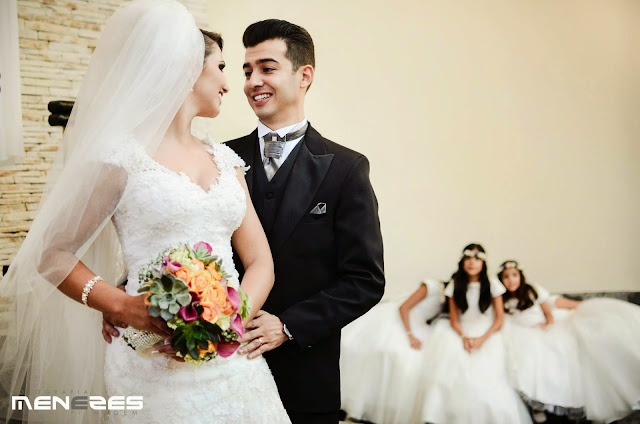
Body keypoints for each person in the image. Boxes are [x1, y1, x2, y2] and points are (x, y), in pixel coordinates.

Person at [0, 1, 291, 423]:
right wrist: (121, 305)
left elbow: (260, 260)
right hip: (152, 361)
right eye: (221, 67)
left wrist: (229, 320)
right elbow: (51, 253)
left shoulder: (227, 161)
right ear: (187, 69)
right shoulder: (120, 159)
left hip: (234, 363)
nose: (229, 84)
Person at [226, 19, 385, 424]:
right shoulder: (221, 159)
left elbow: (365, 280)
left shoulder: (347, 169)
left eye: (267, 68)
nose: (253, 82)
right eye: (247, 71)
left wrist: (288, 326)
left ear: (304, 76)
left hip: (305, 378)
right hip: (221, 372)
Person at [420, 244, 532, 424]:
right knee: (454, 372)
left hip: (488, 333)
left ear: (483, 263)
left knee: (487, 377)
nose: (472, 263)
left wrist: (481, 339)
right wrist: (464, 337)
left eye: (477, 259)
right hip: (462, 332)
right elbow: (454, 319)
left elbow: (499, 319)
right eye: (468, 259)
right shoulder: (455, 285)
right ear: (462, 261)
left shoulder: (493, 284)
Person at [340, 279, 443, 424]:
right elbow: (404, 307)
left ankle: (380, 408)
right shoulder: (434, 286)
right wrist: (410, 335)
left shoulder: (449, 299)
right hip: (400, 322)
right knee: (387, 354)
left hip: (420, 328)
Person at [499, 260, 585, 422]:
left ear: (520, 276)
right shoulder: (502, 299)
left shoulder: (533, 290)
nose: (511, 280)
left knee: (558, 355)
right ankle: (536, 405)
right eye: (506, 277)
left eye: (514, 275)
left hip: (542, 328)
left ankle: (568, 404)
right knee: (526, 360)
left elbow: (548, 314)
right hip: (521, 333)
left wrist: (547, 326)